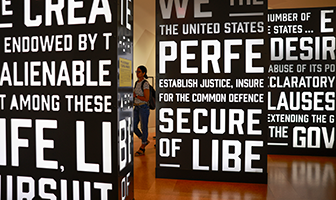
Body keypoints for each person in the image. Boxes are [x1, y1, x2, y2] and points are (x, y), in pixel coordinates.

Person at [133, 65, 150, 156]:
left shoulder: (145, 83)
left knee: (144, 127)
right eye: (137, 71)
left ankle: (142, 147)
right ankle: (144, 140)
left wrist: (136, 96)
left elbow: (146, 98)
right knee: (133, 126)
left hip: (143, 107)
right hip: (136, 107)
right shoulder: (136, 83)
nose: (137, 73)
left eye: (139, 72)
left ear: (143, 73)